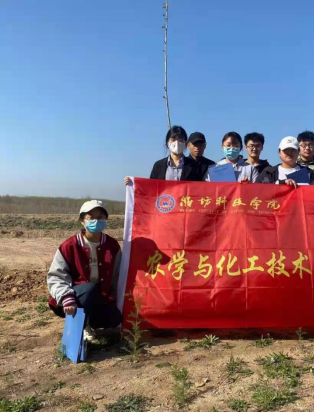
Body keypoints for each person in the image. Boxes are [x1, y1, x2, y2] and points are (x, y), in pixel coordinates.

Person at [47, 200, 122, 341]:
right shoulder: (70, 246)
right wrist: (66, 297)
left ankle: (92, 321)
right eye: (91, 217)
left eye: (100, 217)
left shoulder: (112, 246)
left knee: (115, 319)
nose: (96, 221)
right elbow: (56, 276)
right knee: (89, 289)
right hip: (77, 295)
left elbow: (117, 276)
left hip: (100, 296)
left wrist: (116, 302)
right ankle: (81, 326)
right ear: (82, 221)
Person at [124, 125, 200, 185]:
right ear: (167, 142)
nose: (176, 143)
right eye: (173, 140)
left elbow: (199, 189)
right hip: (165, 200)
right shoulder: (158, 166)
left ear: (185, 143)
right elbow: (150, 188)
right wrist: (132, 183)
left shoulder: (194, 166)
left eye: (180, 140)